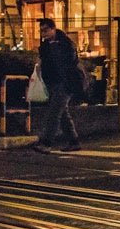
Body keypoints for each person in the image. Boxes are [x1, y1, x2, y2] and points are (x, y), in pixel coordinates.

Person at [32, 17, 85, 152]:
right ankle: (74, 141)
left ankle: (46, 143)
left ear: (53, 28)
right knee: (62, 113)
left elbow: (69, 62)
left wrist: (54, 48)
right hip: (52, 83)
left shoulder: (65, 44)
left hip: (66, 83)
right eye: (41, 31)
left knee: (54, 113)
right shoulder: (45, 46)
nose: (43, 33)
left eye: (45, 30)